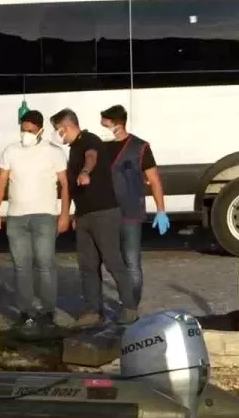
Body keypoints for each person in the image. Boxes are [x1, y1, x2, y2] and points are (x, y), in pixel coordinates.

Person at [50, 109, 139, 326]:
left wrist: (85, 172)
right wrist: (71, 214)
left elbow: (92, 157)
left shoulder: (89, 140)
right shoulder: (72, 150)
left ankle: (129, 307)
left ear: (67, 127)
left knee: (112, 261)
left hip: (104, 212)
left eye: (57, 130)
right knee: (87, 265)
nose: (57, 135)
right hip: (85, 216)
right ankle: (93, 311)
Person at [0, 110, 70, 328]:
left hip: (45, 216)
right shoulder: (11, 151)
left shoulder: (54, 152)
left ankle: (47, 310)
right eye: (23, 130)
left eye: (31, 131)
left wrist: (65, 214)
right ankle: (25, 311)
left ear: (41, 131)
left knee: (45, 264)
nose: (26, 134)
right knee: (21, 266)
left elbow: (65, 184)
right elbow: (1, 182)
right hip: (16, 217)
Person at [98, 105, 169, 303]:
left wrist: (161, 211)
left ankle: (131, 306)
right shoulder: (100, 147)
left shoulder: (140, 147)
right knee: (112, 262)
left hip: (130, 212)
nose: (102, 129)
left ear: (118, 125)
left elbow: (154, 179)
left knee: (131, 263)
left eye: (105, 125)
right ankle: (122, 301)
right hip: (106, 213)